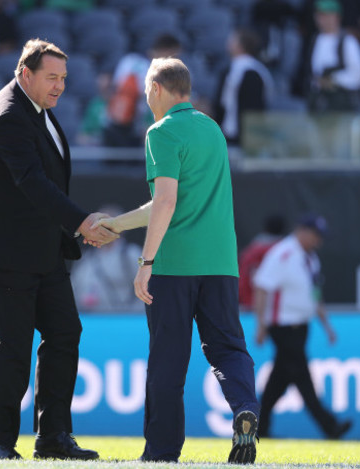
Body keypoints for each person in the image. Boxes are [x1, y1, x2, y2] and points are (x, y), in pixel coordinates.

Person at [96, 57, 260, 464]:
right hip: (221, 263)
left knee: (168, 360)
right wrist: (115, 225)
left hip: (174, 265)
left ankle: (162, 451)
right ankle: (245, 408)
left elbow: (165, 202)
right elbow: (168, 202)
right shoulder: (213, 130)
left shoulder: (160, 132)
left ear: (155, 89)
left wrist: (145, 262)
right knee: (228, 348)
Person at [0, 38, 116, 461]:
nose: (60, 86)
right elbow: (31, 182)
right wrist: (82, 221)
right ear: (25, 74)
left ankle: (53, 437)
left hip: (42, 249)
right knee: (13, 345)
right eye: (52, 77)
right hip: (5, 251)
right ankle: (0, 444)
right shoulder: (9, 114)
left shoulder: (38, 112)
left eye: (63, 78)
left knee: (65, 333)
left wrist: (70, 226)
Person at [252, 213, 352, 439]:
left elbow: (314, 295)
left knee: (280, 380)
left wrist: (326, 325)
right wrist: (261, 325)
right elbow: (262, 287)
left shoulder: (311, 258)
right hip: (283, 326)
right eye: (316, 235)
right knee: (302, 376)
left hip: (302, 326)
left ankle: (259, 426)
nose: (319, 241)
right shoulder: (282, 254)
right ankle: (330, 426)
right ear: (302, 231)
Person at [103, 33, 182, 147]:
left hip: (144, 130)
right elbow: (116, 93)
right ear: (166, 51)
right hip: (123, 127)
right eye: (174, 56)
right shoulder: (133, 64)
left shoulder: (172, 75)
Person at [71, 205, 143, 312]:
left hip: (127, 320)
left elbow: (148, 287)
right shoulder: (87, 258)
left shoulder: (133, 253)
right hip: (91, 321)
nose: (103, 228)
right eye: (98, 224)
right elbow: (74, 289)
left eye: (108, 224)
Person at [214, 28, 274, 146]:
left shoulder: (245, 72)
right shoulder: (260, 70)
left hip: (241, 133)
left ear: (241, 46)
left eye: (233, 40)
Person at [306, 0, 360, 113]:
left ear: (337, 17)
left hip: (343, 106)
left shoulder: (348, 41)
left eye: (327, 15)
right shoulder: (315, 39)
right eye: (320, 15)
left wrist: (333, 80)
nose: (322, 20)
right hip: (321, 105)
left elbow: (359, 76)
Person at [238, 214, 286, 308]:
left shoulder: (250, 251)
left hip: (248, 306)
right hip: (276, 309)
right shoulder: (285, 253)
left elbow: (241, 280)